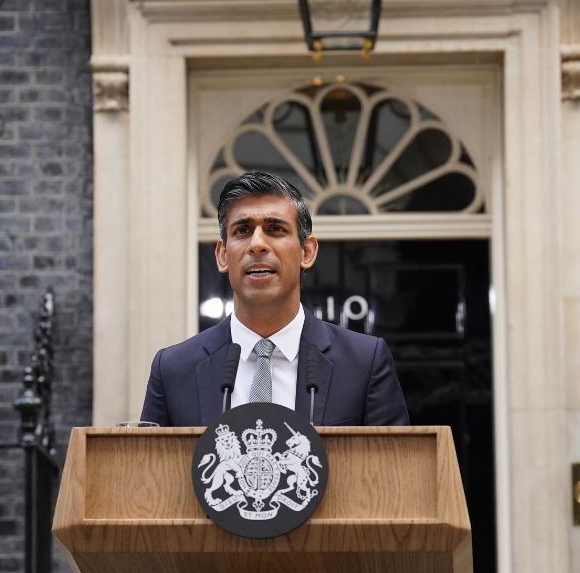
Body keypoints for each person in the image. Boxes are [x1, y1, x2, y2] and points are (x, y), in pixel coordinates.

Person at [140, 170, 410, 427]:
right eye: (242, 230)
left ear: (306, 251)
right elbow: (149, 472)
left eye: (275, 229)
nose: (257, 244)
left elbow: (394, 471)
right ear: (222, 255)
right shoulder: (174, 370)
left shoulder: (364, 363)